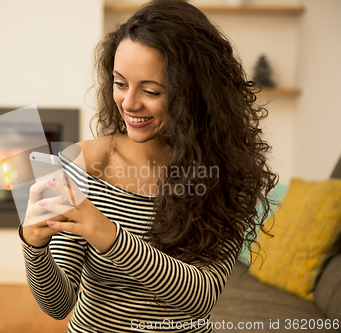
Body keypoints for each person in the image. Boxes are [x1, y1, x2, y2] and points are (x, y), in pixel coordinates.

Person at [19, 0, 277, 332]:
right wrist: (34, 246)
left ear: (194, 94)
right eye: (120, 83)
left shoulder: (227, 174)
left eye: (151, 90)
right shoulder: (85, 163)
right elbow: (59, 305)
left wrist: (108, 235)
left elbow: (201, 297)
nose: (129, 103)